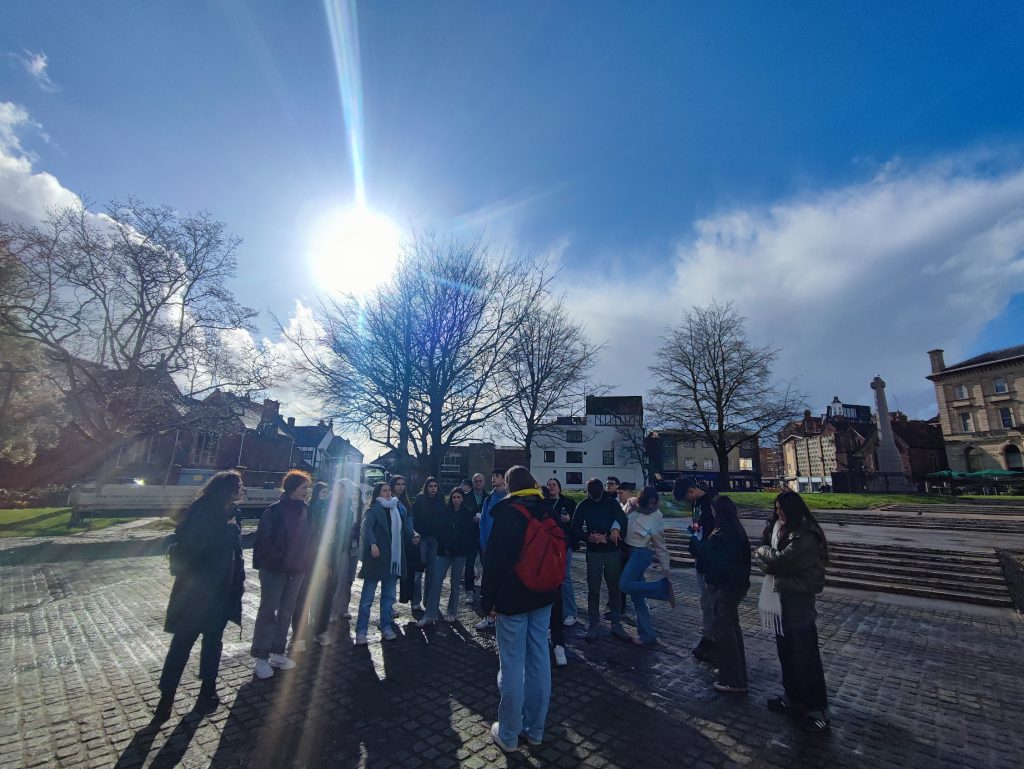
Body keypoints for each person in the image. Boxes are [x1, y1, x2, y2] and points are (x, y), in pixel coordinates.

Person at [154, 471, 245, 722]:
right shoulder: (201, 510)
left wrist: (238, 579)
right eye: (238, 486)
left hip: (222, 589)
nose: (242, 490)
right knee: (182, 643)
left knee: (214, 641)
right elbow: (195, 547)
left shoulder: (234, 512)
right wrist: (227, 534)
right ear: (226, 489)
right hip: (195, 590)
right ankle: (167, 696)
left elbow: (235, 550)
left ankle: (208, 689)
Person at [481, 466, 559, 752]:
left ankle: (510, 735)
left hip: (513, 598)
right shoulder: (546, 509)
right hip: (544, 595)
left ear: (510, 487)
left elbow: (494, 562)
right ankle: (536, 730)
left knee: (512, 664)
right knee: (539, 660)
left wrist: (487, 601)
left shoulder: (507, 513)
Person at [756, 491, 831, 732]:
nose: (778, 513)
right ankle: (794, 697)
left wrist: (762, 553)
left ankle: (816, 707)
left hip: (797, 601)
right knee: (786, 651)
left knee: (805, 653)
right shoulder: (781, 529)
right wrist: (768, 556)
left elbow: (780, 562)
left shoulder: (806, 536)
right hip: (780, 600)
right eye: (776, 509)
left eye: (782, 509)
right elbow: (772, 559)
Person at [250, 470, 314, 679]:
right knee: (269, 611)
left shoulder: (306, 510)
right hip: (275, 570)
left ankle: (278, 651)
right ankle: (261, 657)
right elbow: (263, 541)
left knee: (287, 611)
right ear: (292, 488)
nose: (307, 491)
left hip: (297, 570)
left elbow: (308, 539)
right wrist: (280, 560)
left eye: (307, 487)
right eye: (304, 487)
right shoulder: (274, 511)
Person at [689, 495, 751, 692]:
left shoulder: (724, 533)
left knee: (725, 630)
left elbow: (711, 556)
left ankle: (733, 678)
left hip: (725, 585)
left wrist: (695, 544)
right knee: (732, 628)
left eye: (714, 511)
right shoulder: (734, 529)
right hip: (734, 583)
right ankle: (732, 669)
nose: (712, 514)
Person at [355, 481, 419, 644]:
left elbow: (404, 529)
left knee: (389, 596)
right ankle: (361, 630)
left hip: (392, 560)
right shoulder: (372, 510)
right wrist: (373, 544)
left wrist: (413, 535)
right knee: (367, 598)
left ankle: (386, 626)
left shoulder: (397, 509)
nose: (388, 493)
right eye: (384, 491)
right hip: (376, 559)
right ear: (378, 494)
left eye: (389, 490)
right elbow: (366, 529)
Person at [571, 477, 630, 642]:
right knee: (593, 589)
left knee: (614, 588)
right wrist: (588, 537)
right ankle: (594, 624)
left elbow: (623, 522)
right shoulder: (583, 505)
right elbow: (575, 526)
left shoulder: (611, 503)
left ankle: (616, 624)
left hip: (611, 550)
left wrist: (613, 536)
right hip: (594, 551)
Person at [619, 486, 674, 648]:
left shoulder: (656, 516)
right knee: (638, 596)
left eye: (653, 505)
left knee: (624, 584)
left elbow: (660, 544)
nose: (650, 508)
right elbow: (620, 520)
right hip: (627, 552)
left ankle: (661, 588)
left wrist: (666, 571)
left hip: (641, 553)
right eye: (647, 505)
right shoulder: (630, 505)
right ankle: (647, 634)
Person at [419, 486, 476, 625]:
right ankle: (430, 614)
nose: (456, 500)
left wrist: (457, 547)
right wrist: (445, 546)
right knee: (436, 581)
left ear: (462, 499)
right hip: (444, 552)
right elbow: (440, 531)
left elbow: (468, 535)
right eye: (454, 497)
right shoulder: (445, 512)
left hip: (459, 553)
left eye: (458, 497)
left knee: (455, 583)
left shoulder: (467, 514)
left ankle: (452, 612)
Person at [675, 477, 719, 662]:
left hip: (711, 559)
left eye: (687, 497)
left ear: (692, 490)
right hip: (701, 557)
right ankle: (708, 637)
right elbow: (698, 525)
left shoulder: (713, 503)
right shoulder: (698, 505)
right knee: (705, 601)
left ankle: (715, 641)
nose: (688, 501)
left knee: (713, 602)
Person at [291, 481, 330, 652]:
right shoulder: (307, 510)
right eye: (322, 492)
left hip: (322, 559)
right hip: (305, 560)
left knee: (321, 597)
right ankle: (298, 635)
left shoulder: (327, 513)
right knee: (302, 598)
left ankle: (319, 631)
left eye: (327, 493)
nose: (324, 496)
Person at [475, 469, 507, 631]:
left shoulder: (511, 498)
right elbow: (483, 523)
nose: (493, 479)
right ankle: (489, 615)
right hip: (489, 547)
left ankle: (502, 616)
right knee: (488, 583)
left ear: (504, 479)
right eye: (492, 476)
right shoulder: (488, 499)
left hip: (505, 549)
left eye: (497, 476)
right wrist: (482, 543)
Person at [546, 477, 579, 628]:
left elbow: (576, 524)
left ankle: (571, 612)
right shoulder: (544, 503)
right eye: (549, 485)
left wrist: (569, 520)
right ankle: (552, 609)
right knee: (549, 578)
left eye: (554, 484)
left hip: (563, 544)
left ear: (559, 488)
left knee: (565, 577)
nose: (552, 487)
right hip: (547, 545)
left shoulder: (568, 503)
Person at [329, 477, 363, 622]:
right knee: (339, 578)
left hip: (353, 547)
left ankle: (344, 608)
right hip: (341, 546)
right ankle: (333, 610)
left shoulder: (360, 508)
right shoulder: (338, 507)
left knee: (348, 579)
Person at [412, 477, 444, 616]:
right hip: (422, 538)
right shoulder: (419, 500)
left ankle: (428, 600)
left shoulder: (441, 501)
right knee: (418, 570)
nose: (433, 488)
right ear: (426, 487)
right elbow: (414, 518)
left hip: (435, 538)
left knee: (431, 571)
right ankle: (416, 600)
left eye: (435, 486)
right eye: (430, 486)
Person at [391, 475, 420, 611]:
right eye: (398, 484)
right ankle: (388, 609)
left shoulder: (405, 503)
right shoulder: (390, 501)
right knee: (391, 578)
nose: (401, 487)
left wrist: (414, 534)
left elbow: (409, 524)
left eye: (403, 484)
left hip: (407, 543)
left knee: (405, 574)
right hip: (394, 543)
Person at [463, 473, 487, 603]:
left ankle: (486, 591)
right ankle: (469, 591)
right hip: (471, 535)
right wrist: (470, 519)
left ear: (484, 482)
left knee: (486, 564)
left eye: (480, 481)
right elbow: (462, 514)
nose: (478, 483)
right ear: (473, 483)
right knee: (469, 564)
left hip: (484, 535)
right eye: (476, 481)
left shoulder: (489, 497)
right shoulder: (466, 497)